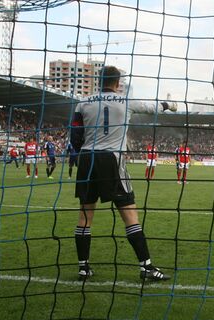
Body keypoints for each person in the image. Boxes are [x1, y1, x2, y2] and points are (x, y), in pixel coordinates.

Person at [70, 65, 177, 281]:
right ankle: (146, 267)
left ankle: (83, 267)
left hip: (87, 160)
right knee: (129, 213)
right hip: (112, 160)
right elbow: (152, 107)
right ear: (118, 83)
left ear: (99, 81)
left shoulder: (83, 102)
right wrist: (169, 104)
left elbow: (75, 136)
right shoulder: (126, 101)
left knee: (85, 214)